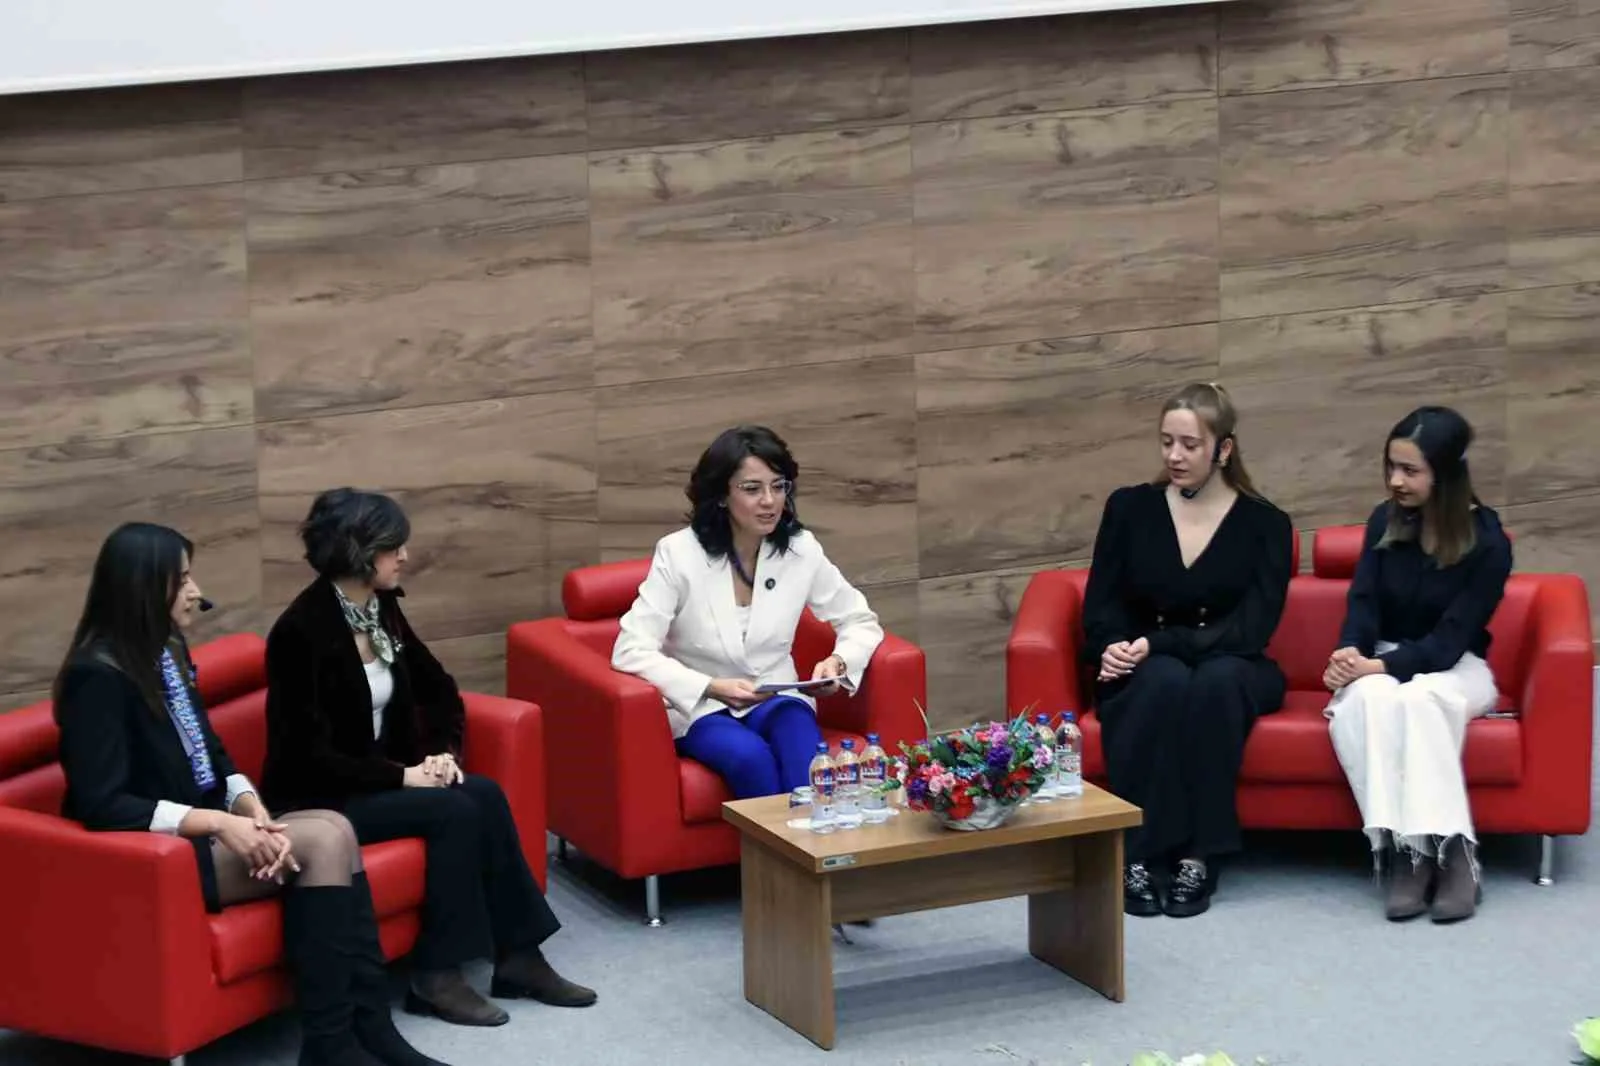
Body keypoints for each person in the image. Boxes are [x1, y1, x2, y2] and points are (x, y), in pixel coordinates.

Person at [53, 523, 447, 1066]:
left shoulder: (164, 649)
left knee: (335, 828)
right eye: (182, 580)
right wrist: (218, 823)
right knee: (321, 841)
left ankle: (368, 1028)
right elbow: (103, 804)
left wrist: (245, 802)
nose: (195, 592)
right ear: (143, 586)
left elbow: (209, 749)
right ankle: (333, 1043)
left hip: (204, 830)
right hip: (152, 857)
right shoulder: (95, 677)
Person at [261, 489, 595, 1029]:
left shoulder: (382, 609)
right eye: (393, 547)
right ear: (358, 551)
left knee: (483, 793)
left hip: (377, 780)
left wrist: (440, 753)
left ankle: (519, 956)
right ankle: (435, 975)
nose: (405, 556)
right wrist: (403, 776)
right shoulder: (300, 632)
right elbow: (308, 755)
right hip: (320, 797)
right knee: (452, 811)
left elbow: (438, 689)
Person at [1080, 382, 1294, 919]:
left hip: (1233, 661)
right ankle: (1136, 852)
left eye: (1190, 445)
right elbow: (1101, 604)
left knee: (1214, 682)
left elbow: (1251, 630)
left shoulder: (1266, 524)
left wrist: (1157, 642)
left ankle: (1200, 855)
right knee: (1162, 680)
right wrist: (1111, 648)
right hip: (1146, 661)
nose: (1174, 456)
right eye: (1166, 442)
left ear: (1224, 448)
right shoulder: (1130, 508)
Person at [611, 424, 884, 800]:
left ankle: (812, 839)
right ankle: (768, 842)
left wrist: (838, 662)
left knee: (806, 757)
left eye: (778, 486)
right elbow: (630, 649)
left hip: (777, 694)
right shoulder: (679, 554)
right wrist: (710, 686)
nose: (769, 501)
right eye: (752, 489)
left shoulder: (800, 550)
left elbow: (859, 620)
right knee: (750, 758)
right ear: (722, 495)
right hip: (702, 706)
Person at [1323, 406, 1511, 924]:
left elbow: (1449, 642)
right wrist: (1350, 654)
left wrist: (1375, 668)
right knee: (1369, 702)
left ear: (1444, 474)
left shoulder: (1488, 543)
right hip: (1381, 658)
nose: (1395, 481)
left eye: (1410, 470)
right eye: (1391, 466)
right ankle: (1413, 853)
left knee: (1421, 698)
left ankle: (1455, 852)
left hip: (1457, 666)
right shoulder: (1384, 521)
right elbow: (1363, 605)